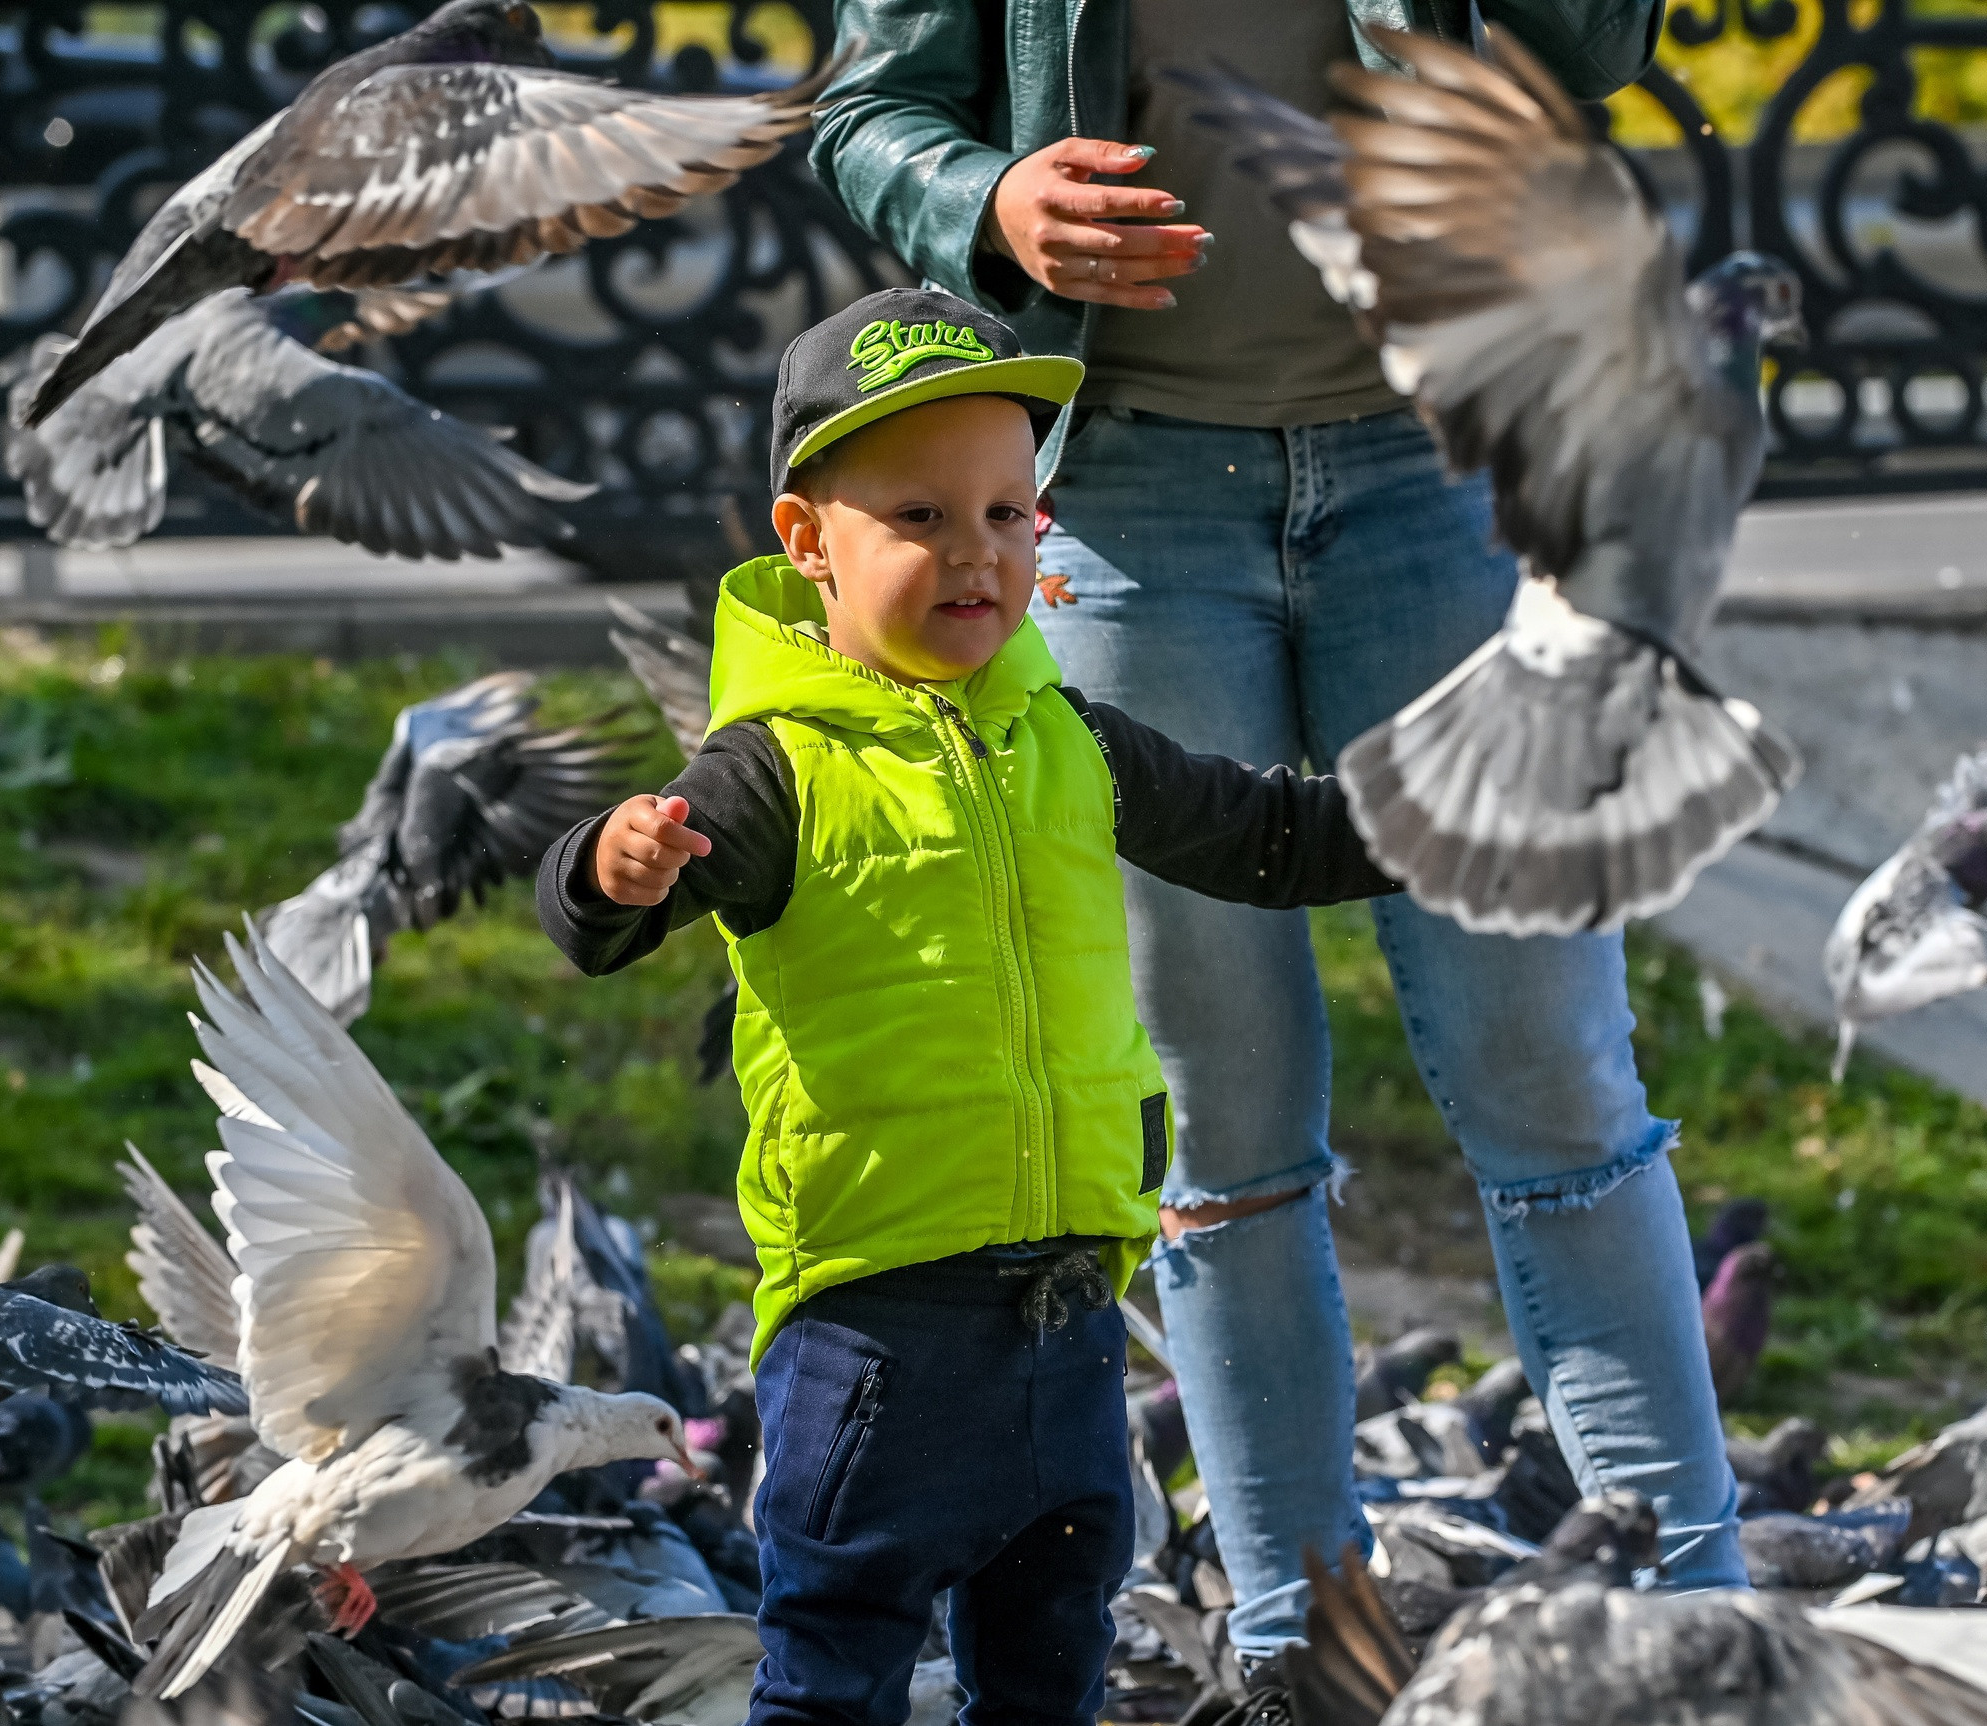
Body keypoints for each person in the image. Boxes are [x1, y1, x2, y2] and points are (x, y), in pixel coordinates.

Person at [805, 0, 1749, 1662]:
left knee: (1555, 1070)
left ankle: (1697, 1626)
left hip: (1440, 461)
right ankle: (1297, 1653)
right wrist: (992, 201)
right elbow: (869, 112)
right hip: (1127, 498)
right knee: (1218, 1121)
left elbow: (1592, 48)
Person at [534, 286, 1400, 1726]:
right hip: (877, 1338)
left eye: (1008, 514)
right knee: (835, 1679)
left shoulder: (1067, 738)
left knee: (1053, 1670)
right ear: (808, 543)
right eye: (922, 518)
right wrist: (616, 863)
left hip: (1068, 1332)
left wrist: (1449, 818)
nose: (975, 554)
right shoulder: (773, 767)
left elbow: (1268, 835)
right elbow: (594, 920)